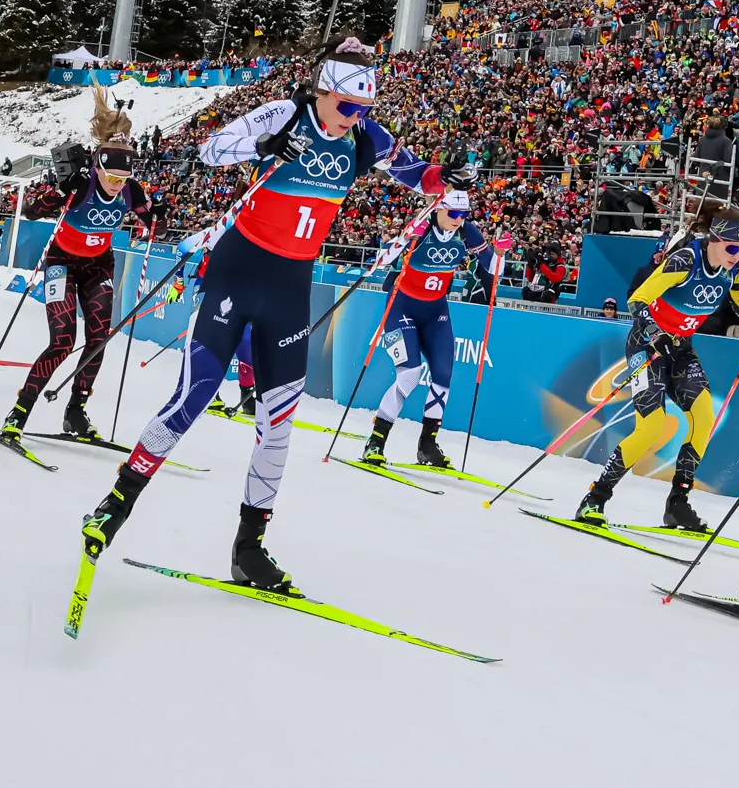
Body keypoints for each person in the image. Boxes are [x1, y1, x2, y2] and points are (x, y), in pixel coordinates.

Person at [78, 42, 442, 596]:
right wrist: (263, 144)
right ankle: (116, 503)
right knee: (193, 397)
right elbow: (209, 150)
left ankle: (249, 547)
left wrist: (449, 175)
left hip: (291, 289)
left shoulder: (367, 138)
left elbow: (419, 176)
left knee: (279, 425)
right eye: (346, 107)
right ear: (323, 92)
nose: (354, 119)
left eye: (362, 109)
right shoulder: (286, 114)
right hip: (238, 271)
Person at [573, 211, 739, 532]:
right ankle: (595, 499)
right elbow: (638, 298)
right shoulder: (685, 260)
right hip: (648, 344)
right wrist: (656, 334)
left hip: (680, 348)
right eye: (732, 249)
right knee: (652, 428)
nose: (737, 256)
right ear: (714, 239)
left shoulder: (732, 269)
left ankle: (678, 506)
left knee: (703, 418)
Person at [1, 104, 151, 442]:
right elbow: (32, 211)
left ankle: (75, 411)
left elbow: (155, 221)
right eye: (112, 177)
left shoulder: (130, 190)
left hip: (98, 267)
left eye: (123, 178)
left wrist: (157, 214)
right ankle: (20, 410)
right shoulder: (81, 187)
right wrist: (59, 190)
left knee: (98, 342)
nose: (116, 184)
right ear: (97, 168)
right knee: (62, 341)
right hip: (62, 265)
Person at [362, 187, 498, 471]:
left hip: (436, 311)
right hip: (402, 307)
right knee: (410, 375)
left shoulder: (467, 232)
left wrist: (502, 252)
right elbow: (383, 260)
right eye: (453, 213)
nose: (459, 219)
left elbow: (495, 267)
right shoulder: (422, 227)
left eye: (464, 214)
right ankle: (376, 442)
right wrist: (402, 240)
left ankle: (427, 445)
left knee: (443, 376)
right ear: (439, 209)